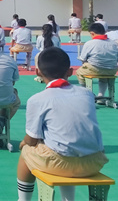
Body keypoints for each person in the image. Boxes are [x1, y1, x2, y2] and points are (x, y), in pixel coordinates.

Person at [16, 47, 108, 201]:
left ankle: (23, 199)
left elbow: (32, 139)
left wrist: (23, 143)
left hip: (60, 164)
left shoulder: (37, 99)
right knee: (64, 146)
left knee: (26, 152)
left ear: (38, 72)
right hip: (95, 161)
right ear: (70, 72)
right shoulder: (87, 94)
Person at [76, 23, 118, 102]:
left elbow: (83, 58)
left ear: (92, 33)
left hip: (94, 68)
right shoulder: (114, 43)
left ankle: (86, 93)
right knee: (103, 77)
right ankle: (101, 95)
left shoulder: (90, 43)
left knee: (79, 72)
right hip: (111, 70)